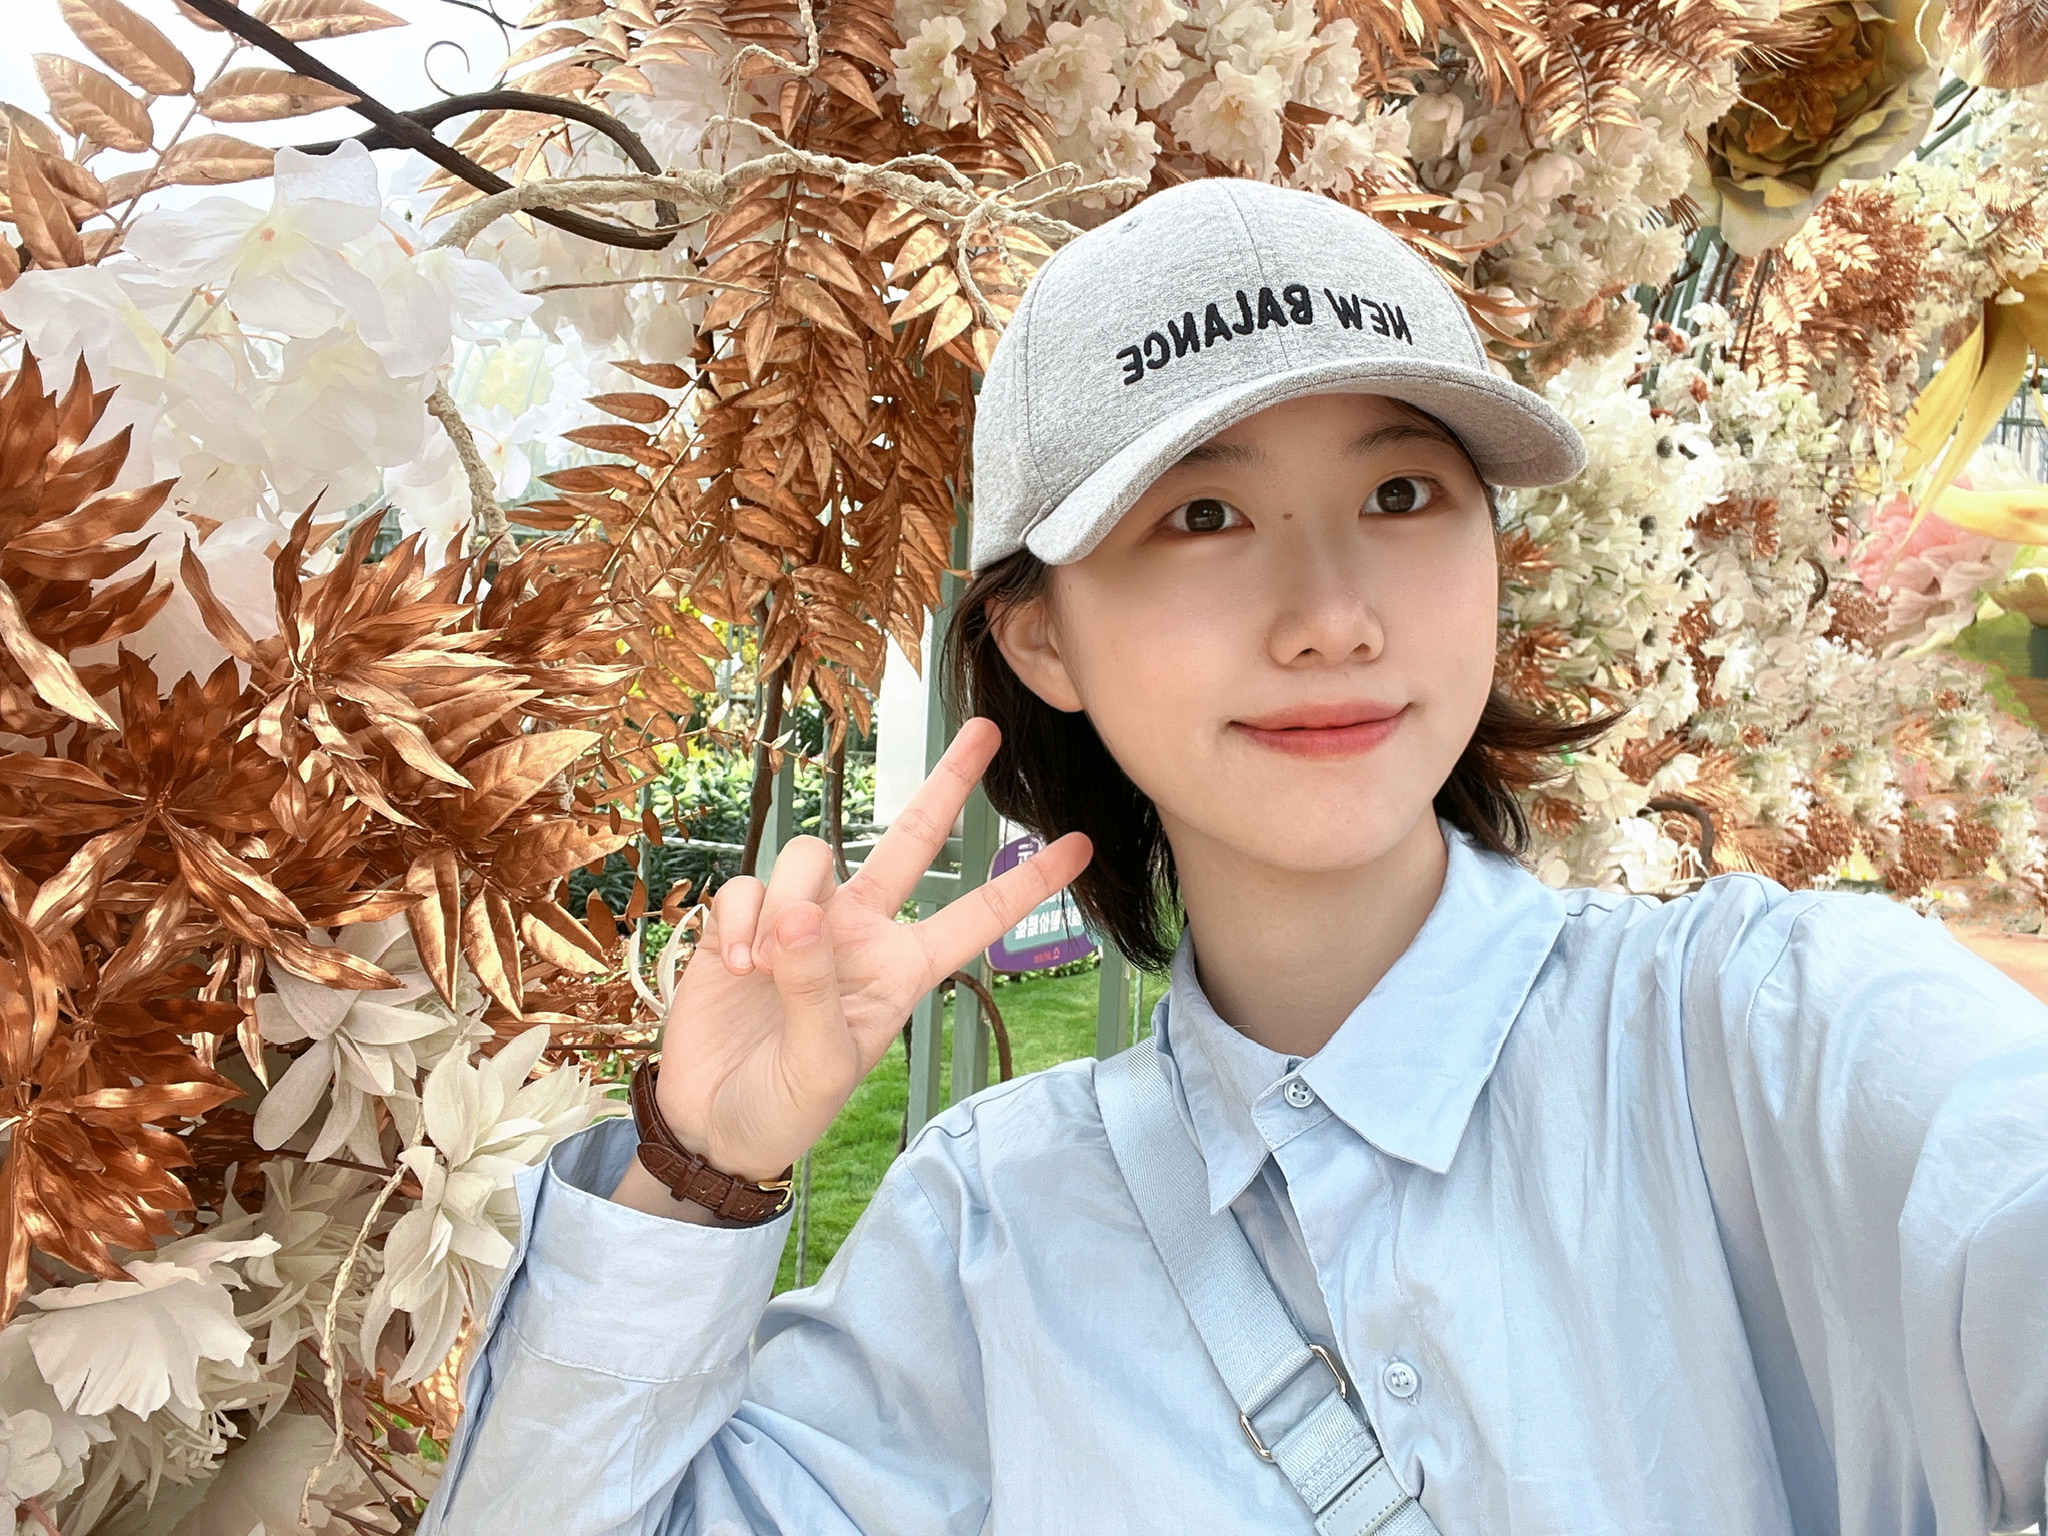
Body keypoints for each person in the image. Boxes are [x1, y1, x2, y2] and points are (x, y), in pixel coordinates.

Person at [420, 179, 2048, 1536]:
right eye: (1202, 515)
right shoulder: (995, 1238)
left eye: (1401, 490)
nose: (1332, 616)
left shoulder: (1771, 1039)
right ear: (1042, 637)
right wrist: (697, 1173)